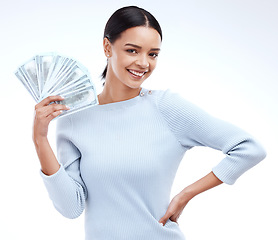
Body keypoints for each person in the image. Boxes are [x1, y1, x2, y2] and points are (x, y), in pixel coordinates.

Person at [32, 6, 266, 240]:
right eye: (132, 50)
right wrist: (40, 139)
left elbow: (248, 148)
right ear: (107, 47)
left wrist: (185, 194)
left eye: (152, 54)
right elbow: (71, 207)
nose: (144, 63)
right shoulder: (73, 119)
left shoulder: (166, 107)